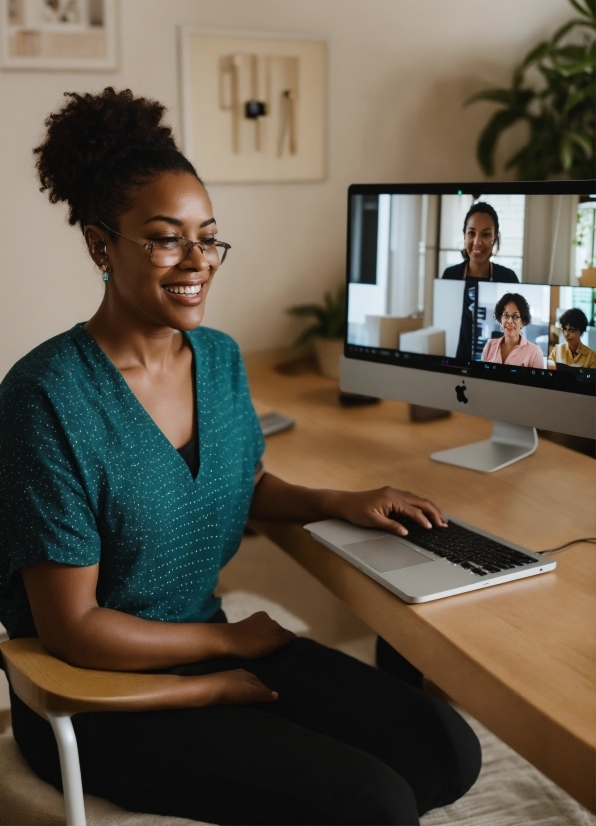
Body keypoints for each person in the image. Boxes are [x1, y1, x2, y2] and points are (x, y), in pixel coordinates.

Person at [0, 88, 481, 826]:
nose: (197, 260)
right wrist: (222, 662)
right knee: (375, 802)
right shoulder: (46, 398)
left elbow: (239, 480)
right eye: (165, 237)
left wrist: (335, 501)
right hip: (100, 692)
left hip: (211, 642)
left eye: (208, 236)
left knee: (444, 751)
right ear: (101, 245)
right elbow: (72, 629)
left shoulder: (218, 359)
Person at [442, 202, 519, 361]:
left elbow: (516, 330)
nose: (477, 242)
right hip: (454, 367)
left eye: (485, 234)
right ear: (464, 236)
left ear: (495, 239)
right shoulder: (450, 275)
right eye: (471, 233)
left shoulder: (508, 278)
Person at [481, 293, 544, 368]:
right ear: (501, 319)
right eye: (506, 315)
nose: (510, 321)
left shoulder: (535, 353)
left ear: (522, 321)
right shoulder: (489, 346)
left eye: (515, 316)